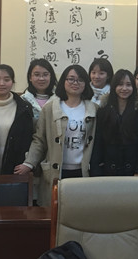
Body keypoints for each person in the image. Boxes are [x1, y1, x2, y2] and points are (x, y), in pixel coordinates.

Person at [20, 65, 98, 205]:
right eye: (71, 79)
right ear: (63, 81)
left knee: (81, 210)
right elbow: (39, 139)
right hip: (56, 171)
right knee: (55, 211)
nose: (75, 83)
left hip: (83, 171)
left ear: (86, 84)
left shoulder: (94, 109)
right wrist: (29, 162)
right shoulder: (50, 108)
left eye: (80, 80)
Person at [90, 69, 138, 176]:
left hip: (132, 170)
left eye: (128, 85)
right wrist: (96, 170)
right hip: (107, 170)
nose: (124, 88)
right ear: (114, 86)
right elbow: (98, 143)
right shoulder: (103, 110)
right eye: (120, 84)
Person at [21, 58, 57, 123]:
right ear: (30, 77)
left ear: (50, 76)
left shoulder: (60, 99)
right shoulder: (23, 100)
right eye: (37, 75)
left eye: (45, 75)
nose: (41, 78)